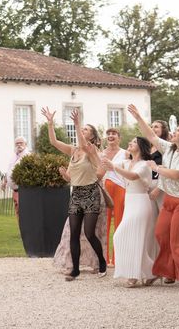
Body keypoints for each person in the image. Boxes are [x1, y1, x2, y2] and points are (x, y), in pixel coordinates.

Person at [128, 104, 179, 292]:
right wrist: (138, 117)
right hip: (171, 199)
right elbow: (151, 136)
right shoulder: (169, 148)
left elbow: (177, 174)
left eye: (178, 130)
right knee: (161, 234)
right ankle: (173, 271)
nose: (174, 132)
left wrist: (157, 169)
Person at [41, 107, 107, 281]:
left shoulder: (91, 151)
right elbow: (54, 142)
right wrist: (50, 123)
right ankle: (75, 270)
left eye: (86, 129)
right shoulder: (73, 151)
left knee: (89, 232)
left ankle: (102, 261)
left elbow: (84, 145)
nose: (82, 131)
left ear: (92, 137)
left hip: (91, 193)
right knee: (74, 233)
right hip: (77, 194)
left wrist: (77, 124)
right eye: (82, 128)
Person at [102, 137, 157, 287]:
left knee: (129, 237)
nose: (130, 143)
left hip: (141, 202)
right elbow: (107, 166)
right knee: (125, 237)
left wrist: (113, 166)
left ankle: (134, 275)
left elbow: (132, 176)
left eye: (133, 142)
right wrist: (95, 154)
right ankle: (152, 271)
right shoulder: (126, 163)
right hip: (130, 202)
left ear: (140, 146)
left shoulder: (144, 165)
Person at [102, 127, 128, 266]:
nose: (111, 136)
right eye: (109, 134)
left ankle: (118, 258)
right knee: (105, 223)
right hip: (105, 187)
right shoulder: (101, 153)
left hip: (120, 188)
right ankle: (105, 258)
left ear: (119, 137)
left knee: (119, 222)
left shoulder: (125, 153)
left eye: (114, 134)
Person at [2, 136, 30, 218]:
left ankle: (25, 230)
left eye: (21, 143)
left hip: (23, 190)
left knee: (23, 212)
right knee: (18, 212)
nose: (19, 145)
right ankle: (21, 230)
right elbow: (9, 170)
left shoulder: (27, 156)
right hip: (15, 190)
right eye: (17, 143)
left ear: (25, 144)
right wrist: (5, 182)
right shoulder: (14, 155)